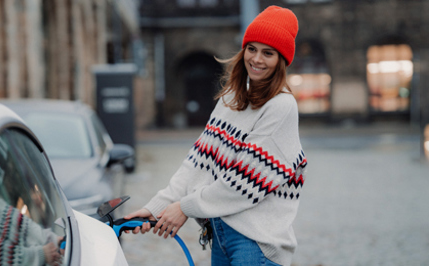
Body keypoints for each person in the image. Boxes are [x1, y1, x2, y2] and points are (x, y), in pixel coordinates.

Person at [124, 5, 307, 266]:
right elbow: (198, 163)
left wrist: (184, 208)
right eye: (252, 49)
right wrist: (156, 207)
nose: (256, 59)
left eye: (268, 53)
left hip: (255, 244)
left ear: (281, 61)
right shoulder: (231, 99)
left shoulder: (281, 105)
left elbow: (245, 181)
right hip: (220, 234)